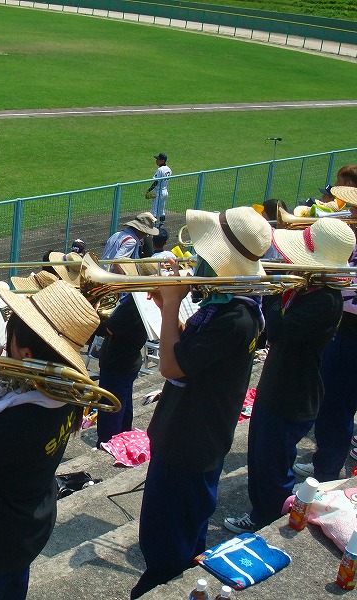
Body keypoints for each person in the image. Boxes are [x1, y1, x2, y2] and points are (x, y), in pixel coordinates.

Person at [131, 206, 272, 599]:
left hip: (189, 443)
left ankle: (163, 583)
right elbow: (188, 356)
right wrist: (166, 310)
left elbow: (173, 369)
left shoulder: (233, 318)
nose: (198, 261)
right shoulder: (226, 308)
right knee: (183, 525)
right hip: (191, 435)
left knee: (165, 532)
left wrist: (174, 301)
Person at [0, 280, 100, 599]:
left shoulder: (19, 420)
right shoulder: (70, 390)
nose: (4, 343)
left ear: (27, 354)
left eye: (9, 336)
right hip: (27, 526)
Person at [223, 218, 354, 535]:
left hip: (292, 394)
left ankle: (266, 516)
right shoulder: (312, 290)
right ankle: (263, 508)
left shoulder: (324, 299)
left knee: (272, 462)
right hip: (280, 384)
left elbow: (279, 331)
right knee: (260, 452)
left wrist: (268, 289)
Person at [293, 183, 357, 481]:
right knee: (334, 403)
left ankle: (326, 472)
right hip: (345, 327)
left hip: (350, 332)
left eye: (354, 209)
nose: (350, 213)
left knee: (335, 405)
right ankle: (326, 462)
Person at [95, 293, 147, 447]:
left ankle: (107, 444)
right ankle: (123, 438)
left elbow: (107, 328)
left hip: (118, 363)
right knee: (123, 403)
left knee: (110, 407)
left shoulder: (133, 303)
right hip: (127, 361)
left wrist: (92, 312)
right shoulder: (137, 300)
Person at [146, 153, 172, 223]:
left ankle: (153, 229)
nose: (156, 161)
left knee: (154, 211)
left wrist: (148, 190)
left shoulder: (160, 170)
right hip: (165, 191)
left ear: (162, 160)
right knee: (162, 211)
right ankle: (161, 226)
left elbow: (156, 182)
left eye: (158, 159)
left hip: (159, 192)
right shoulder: (169, 169)